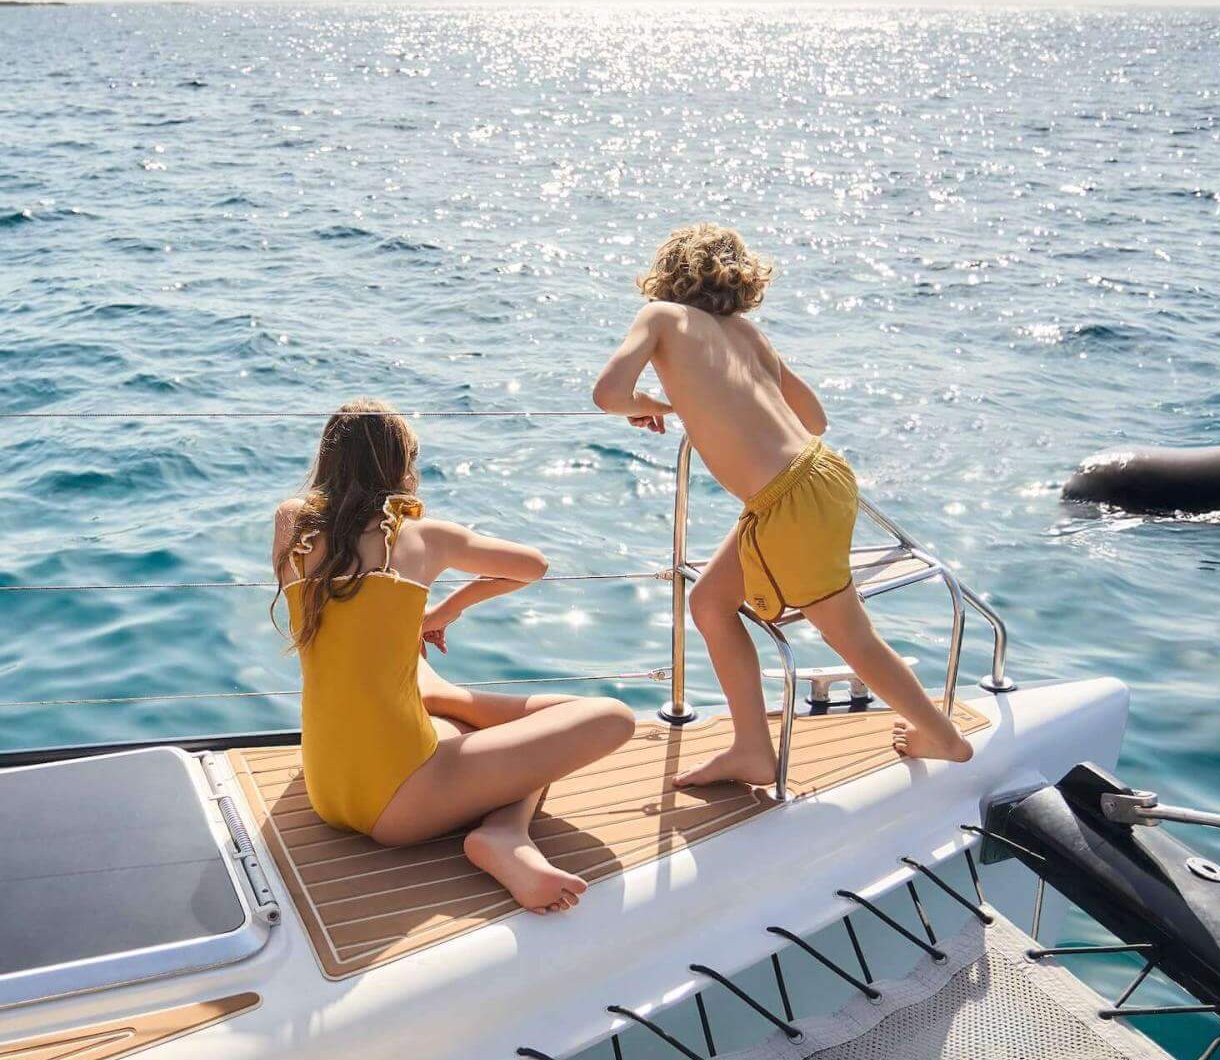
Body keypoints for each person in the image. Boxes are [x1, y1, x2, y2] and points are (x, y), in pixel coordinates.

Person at [592, 223, 972, 787]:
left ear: (666, 276)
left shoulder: (660, 317)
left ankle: (942, 737)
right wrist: (718, 404)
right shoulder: (748, 335)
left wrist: (660, 404)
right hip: (821, 475)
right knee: (711, 603)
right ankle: (751, 749)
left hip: (787, 500)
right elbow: (814, 420)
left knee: (851, 635)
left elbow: (607, 394)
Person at [271, 399, 634, 913]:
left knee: (452, 720)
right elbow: (533, 566)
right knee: (611, 718)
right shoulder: (424, 537)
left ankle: (449, 708)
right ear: (403, 466)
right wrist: (448, 608)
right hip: (401, 805)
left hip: (325, 785)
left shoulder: (291, 525)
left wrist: (412, 621)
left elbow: (348, 630)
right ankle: (503, 832)